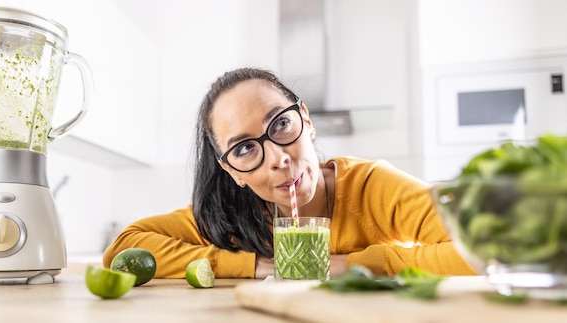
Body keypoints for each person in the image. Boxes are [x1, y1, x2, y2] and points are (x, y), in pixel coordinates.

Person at [102, 67, 477, 279]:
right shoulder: (232, 217)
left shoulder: (370, 188)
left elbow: (480, 248)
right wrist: (255, 264)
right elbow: (125, 247)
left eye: (280, 124)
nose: (278, 159)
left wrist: (360, 263)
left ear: (307, 121)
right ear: (233, 172)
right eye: (245, 148)